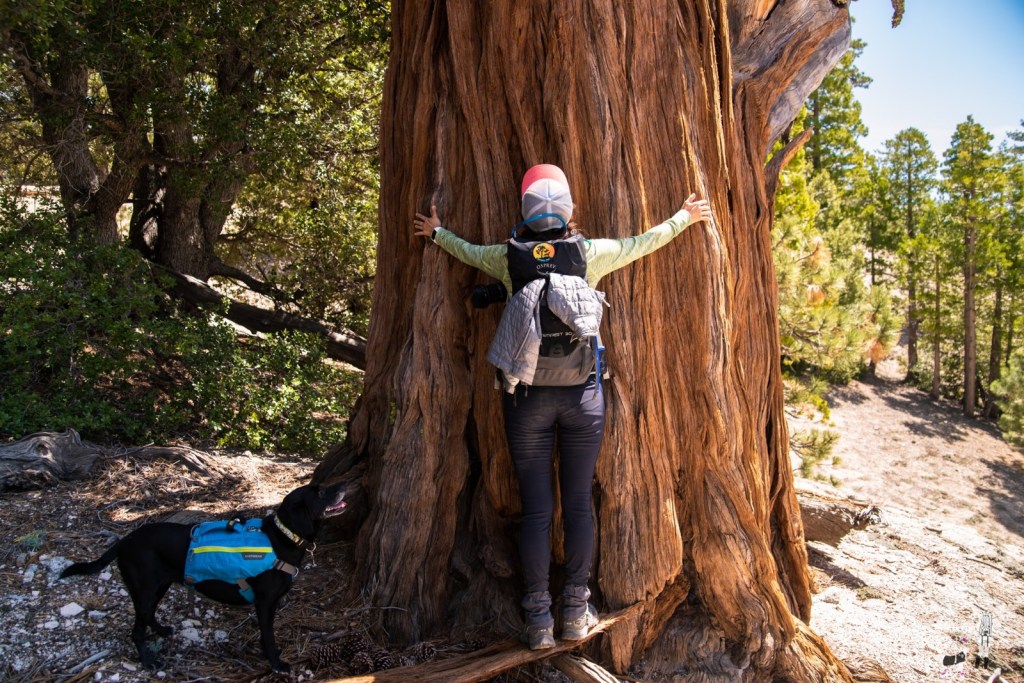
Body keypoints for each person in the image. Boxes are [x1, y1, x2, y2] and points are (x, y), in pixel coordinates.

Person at [413, 164, 711, 650]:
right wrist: (684, 217)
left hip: (526, 399)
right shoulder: (589, 254)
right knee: (577, 506)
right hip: (583, 397)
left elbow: (465, 251)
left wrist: (436, 232)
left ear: (525, 212)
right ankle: (574, 610)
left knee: (536, 512)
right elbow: (642, 242)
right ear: (569, 210)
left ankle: (536, 620)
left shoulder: (506, 259)